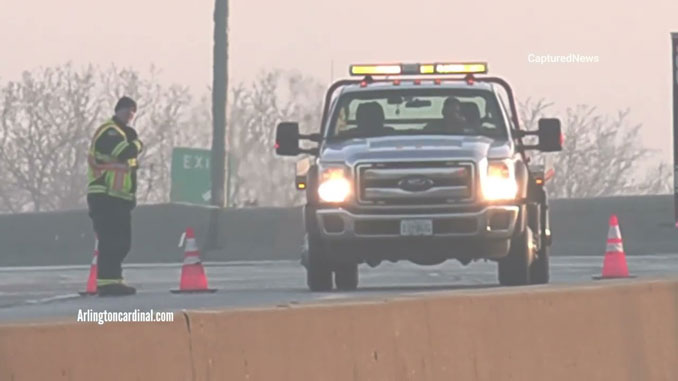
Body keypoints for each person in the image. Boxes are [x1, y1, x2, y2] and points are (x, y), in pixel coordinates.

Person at [86, 96, 143, 296]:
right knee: (111, 240)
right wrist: (137, 144)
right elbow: (125, 153)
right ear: (118, 110)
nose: (129, 114)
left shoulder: (123, 134)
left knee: (121, 241)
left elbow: (130, 166)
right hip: (104, 195)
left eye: (132, 111)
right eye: (127, 110)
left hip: (119, 197)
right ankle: (107, 283)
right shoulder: (109, 132)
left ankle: (114, 279)